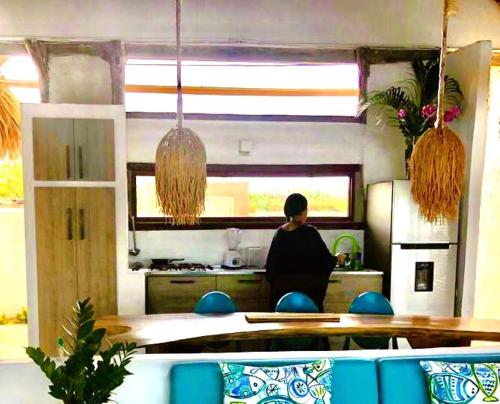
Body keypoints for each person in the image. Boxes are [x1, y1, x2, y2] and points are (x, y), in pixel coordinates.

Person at [265, 193, 337, 312]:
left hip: (282, 301)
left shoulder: (280, 233)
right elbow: (326, 261)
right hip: (307, 300)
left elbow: (271, 269)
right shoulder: (310, 233)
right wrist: (337, 258)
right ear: (303, 211)